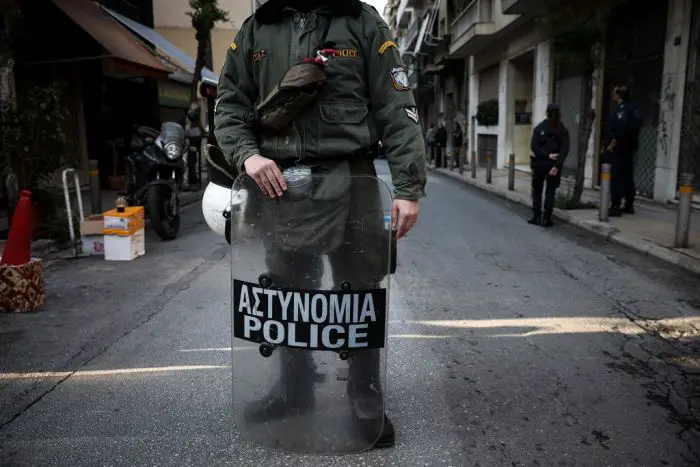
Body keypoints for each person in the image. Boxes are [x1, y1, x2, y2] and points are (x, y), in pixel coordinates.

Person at [213, 0, 427, 450]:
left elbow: (397, 104)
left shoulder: (363, 22)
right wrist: (248, 156)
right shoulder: (257, 29)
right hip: (279, 185)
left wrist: (407, 187)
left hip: (354, 180)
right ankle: (295, 391)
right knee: (287, 295)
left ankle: (364, 392)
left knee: (362, 288)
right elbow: (229, 105)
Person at [528, 103, 570, 227]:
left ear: (547, 113)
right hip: (553, 165)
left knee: (537, 190)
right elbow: (565, 150)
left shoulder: (540, 128)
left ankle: (536, 216)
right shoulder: (562, 130)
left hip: (540, 163)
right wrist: (557, 165)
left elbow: (534, 146)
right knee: (550, 191)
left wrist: (546, 155)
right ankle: (547, 218)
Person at [606, 85, 641, 216]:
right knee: (628, 176)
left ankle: (615, 205)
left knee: (616, 177)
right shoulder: (634, 108)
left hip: (620, 148)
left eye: (615, 94)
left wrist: (612, 144)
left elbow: (620, 129)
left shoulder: (622, 110)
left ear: (618, 95)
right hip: (630, 148)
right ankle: (629, 204)